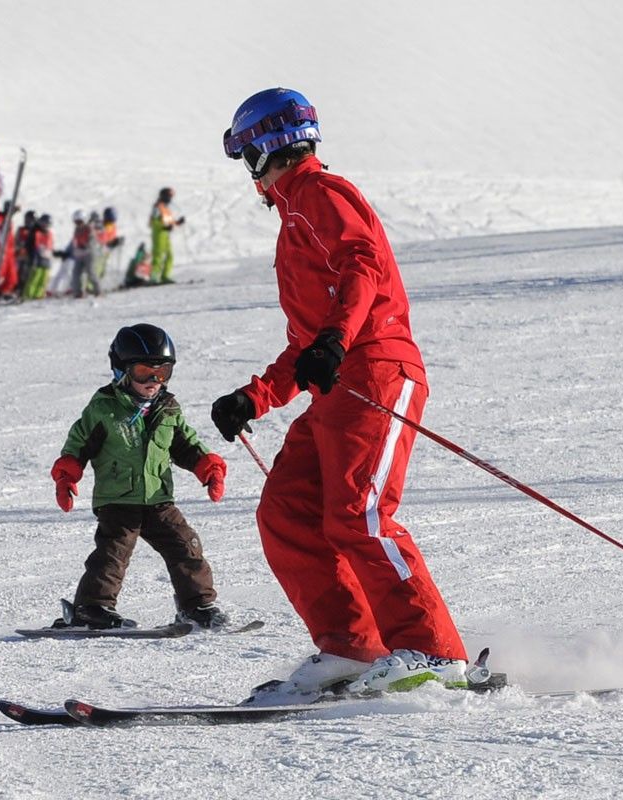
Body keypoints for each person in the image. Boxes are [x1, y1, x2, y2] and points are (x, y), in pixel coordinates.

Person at [212, 88, 467, 699]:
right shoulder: (296, 215)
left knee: (361, 513)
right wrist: (256, 397)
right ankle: (353, 646)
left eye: (246, 154)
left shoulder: (320, 194)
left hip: (377, 370)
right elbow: (307, 342)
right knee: (287, 510)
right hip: (337, 386)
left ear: (260, 149)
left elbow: (363, 265)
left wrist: (335, 338)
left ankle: (434, 654)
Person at [50, 323, 228, 629]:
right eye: (145, 371)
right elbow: (79, 444)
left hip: (158, 497)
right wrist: (67, 475)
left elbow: (185, 444)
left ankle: (197, 606)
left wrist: (207, 467)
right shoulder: (103, 409)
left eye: (164, 373)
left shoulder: (168, 409)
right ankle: (92, 608)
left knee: (185, 546)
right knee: (112, 555)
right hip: (118, 499)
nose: (155, 381)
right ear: (122, 371)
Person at [149, 187, 184, 284]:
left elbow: (170, 221)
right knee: (158, 256)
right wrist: (163, 227)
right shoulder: (157, 207)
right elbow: (153, 221)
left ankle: (165, 276)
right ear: (164, 196)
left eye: (171, 196)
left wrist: (177, 222)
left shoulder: (165, 208)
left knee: (169, 256)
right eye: (169, 196)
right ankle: (154, 277)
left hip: (166, 235)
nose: (170, 199)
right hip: (159, 234)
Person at [65, 209, 102, 298]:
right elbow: (75, 240)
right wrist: (76, 248)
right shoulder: (77, 229)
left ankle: (98, 291)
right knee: (76, 273)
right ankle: (78, 293)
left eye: (80, 221)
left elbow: (91, 241)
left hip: (89, 253)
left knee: (91, 272)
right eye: (76, 222)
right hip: (80, 253)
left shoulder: (89, 228)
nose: (78, 224)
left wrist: (84, 246)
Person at [22, 213, 55, 300]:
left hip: (46, 260)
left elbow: (50, 246)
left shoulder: (48, 233)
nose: (46, 226)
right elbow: (30, 246)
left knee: (43, 279)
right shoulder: (35, 232)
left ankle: (38, 295)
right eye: (44, 224)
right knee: (35, 277)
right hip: (37, 260)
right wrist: (32, 258)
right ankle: (28, 295)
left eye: (48, 224)